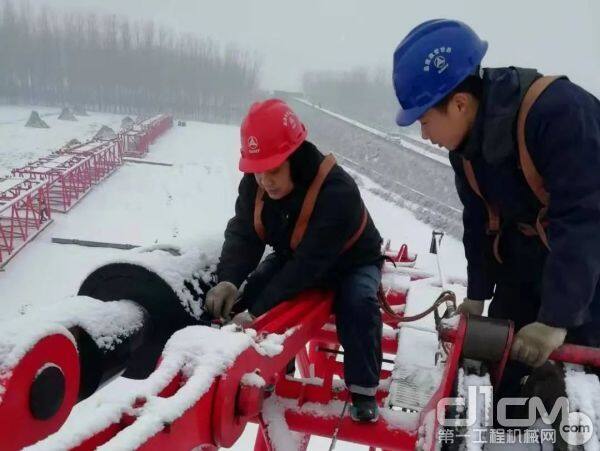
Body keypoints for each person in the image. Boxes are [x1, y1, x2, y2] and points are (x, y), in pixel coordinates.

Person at [392, 19, 600, 397]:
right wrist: (476, 294)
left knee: (579, 388)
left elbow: (584, 220)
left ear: (459, 104)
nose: (424, 135)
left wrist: (557, 319)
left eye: (425, 122)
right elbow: (479, 222)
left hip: (587, 269)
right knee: (503, 368)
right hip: (526, 262)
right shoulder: (467, 153)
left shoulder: (558, 114)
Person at [205, 99, 384, 422]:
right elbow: (245, 233)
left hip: (351, 262)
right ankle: (273, 367)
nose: (265, 181)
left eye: (273, 170)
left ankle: (363, 389)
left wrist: (256, 314)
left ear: (295, 157)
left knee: (358, 303)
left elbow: (307, 267)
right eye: (257, 172)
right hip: (295, 254)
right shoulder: (257, 184)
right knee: (257, 287)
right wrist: (229, 279)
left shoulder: (336, 192)